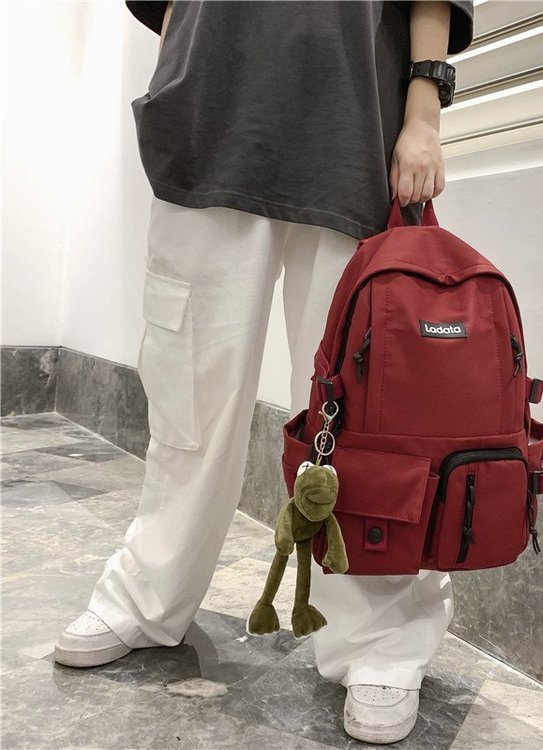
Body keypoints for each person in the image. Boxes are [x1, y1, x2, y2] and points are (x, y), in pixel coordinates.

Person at [54, 1, 474, 744]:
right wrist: (178, 81)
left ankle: (379, 639)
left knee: (364, 421)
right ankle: (147, 595)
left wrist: (424, 113)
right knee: (189, 396)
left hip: (354, 131)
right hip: (210, 125)